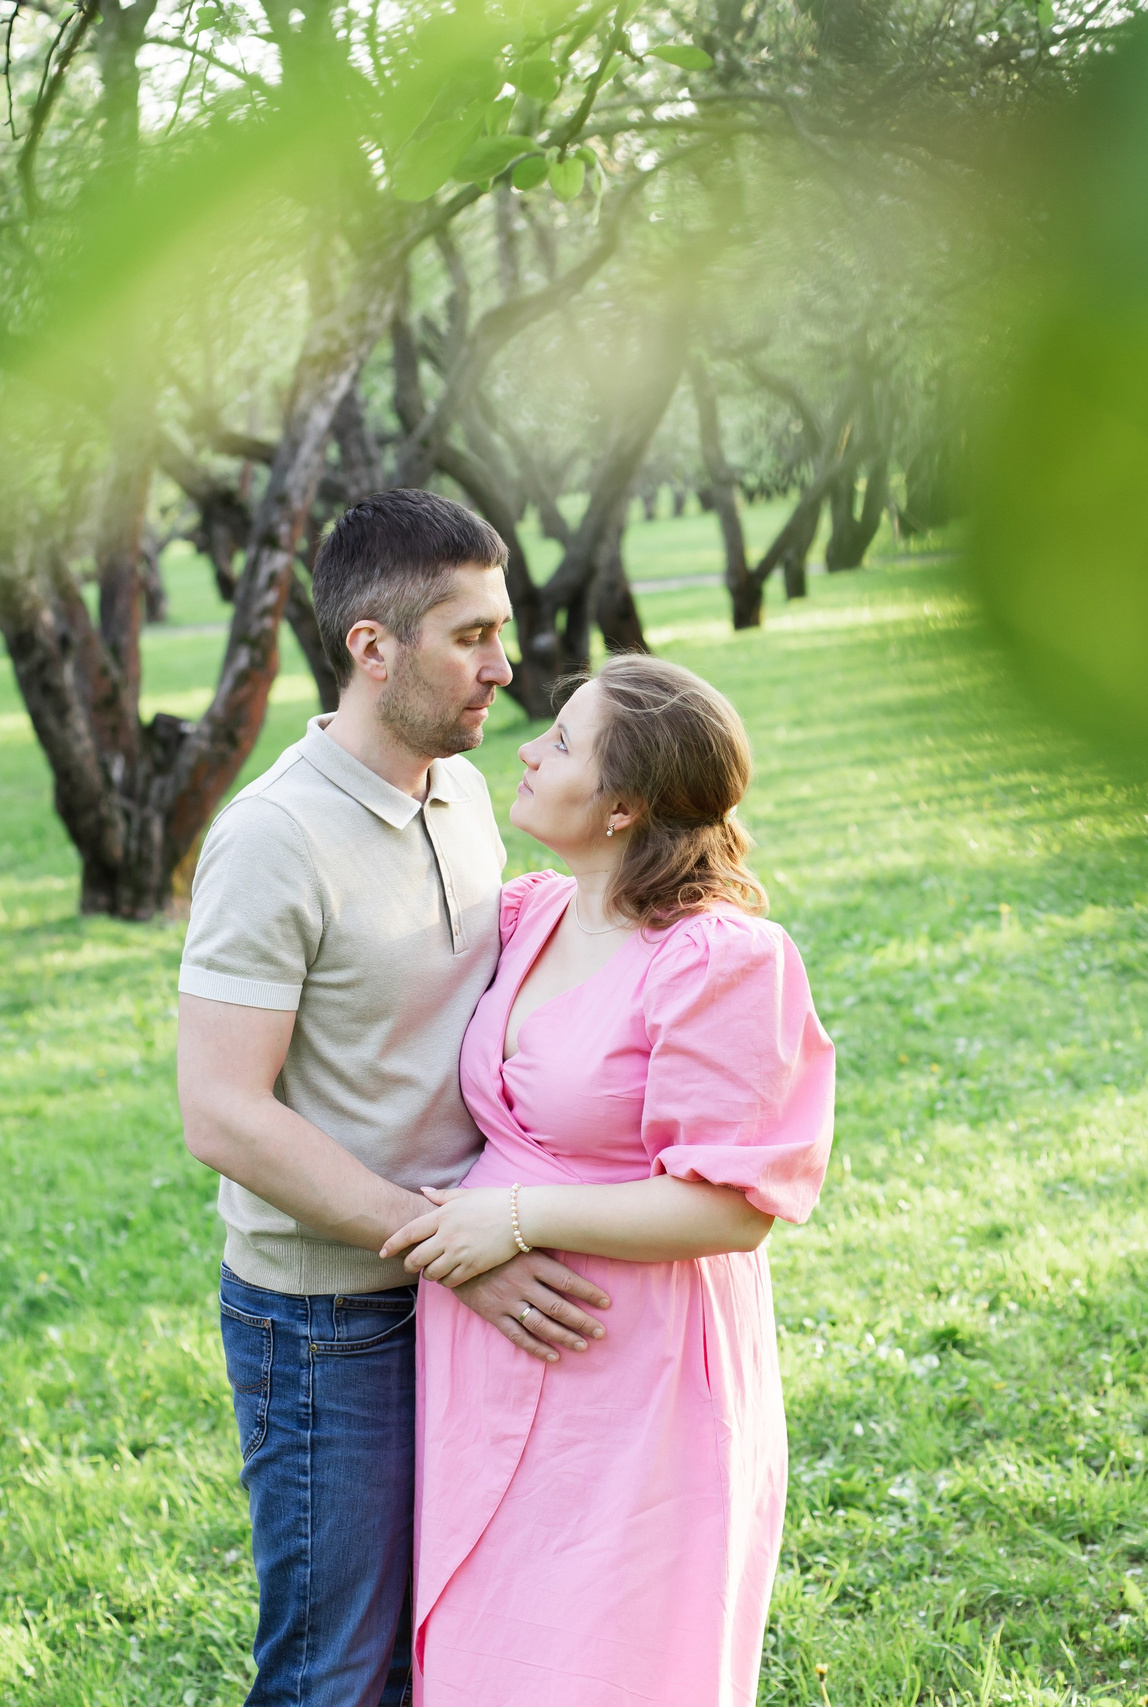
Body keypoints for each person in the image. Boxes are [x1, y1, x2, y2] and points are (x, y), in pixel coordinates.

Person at [175, 489, 614, 1707]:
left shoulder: (464, 793)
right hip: (327, 1324)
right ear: (372, 649)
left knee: (453, 1648)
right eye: (470, 636)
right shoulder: (272, 838)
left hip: (457, 1290)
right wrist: (449, 1251)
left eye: (502, 629)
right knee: (339, 1674)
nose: (504, 666)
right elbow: (221, 1111)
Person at [382, 654, 836, 1707]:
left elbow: (731, 1205)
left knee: (605, 1661)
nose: (529, 749)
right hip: (491, 1360)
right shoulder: (532, 914)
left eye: (565, 742)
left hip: (635, 1367)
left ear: (625, 806)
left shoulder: (720, 958)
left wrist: (519, 1216)